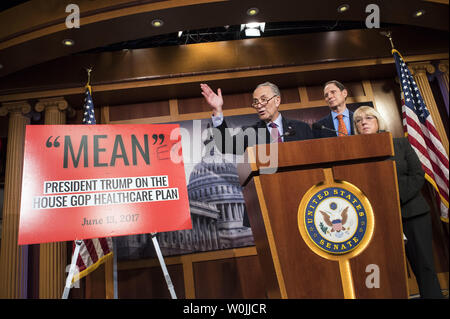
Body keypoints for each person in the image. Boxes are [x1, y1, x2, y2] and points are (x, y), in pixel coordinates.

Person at [353, 105, 443, 299]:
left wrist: (394, 198)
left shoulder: (400, 144)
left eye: (368, 118)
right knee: (385, 269)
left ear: (378, 121)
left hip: (412, 213)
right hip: (379, 219)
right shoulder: (355, 154)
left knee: (424, 266)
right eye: (359, 121)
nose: (364, 122)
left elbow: (418, 175)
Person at [200, 82, 314, 155]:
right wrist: (217, 110)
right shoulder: (251, 132)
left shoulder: (301, 128)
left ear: (277, 100)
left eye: (264, 100)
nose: (259, 106)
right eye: (255, 102)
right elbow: (226, 145)